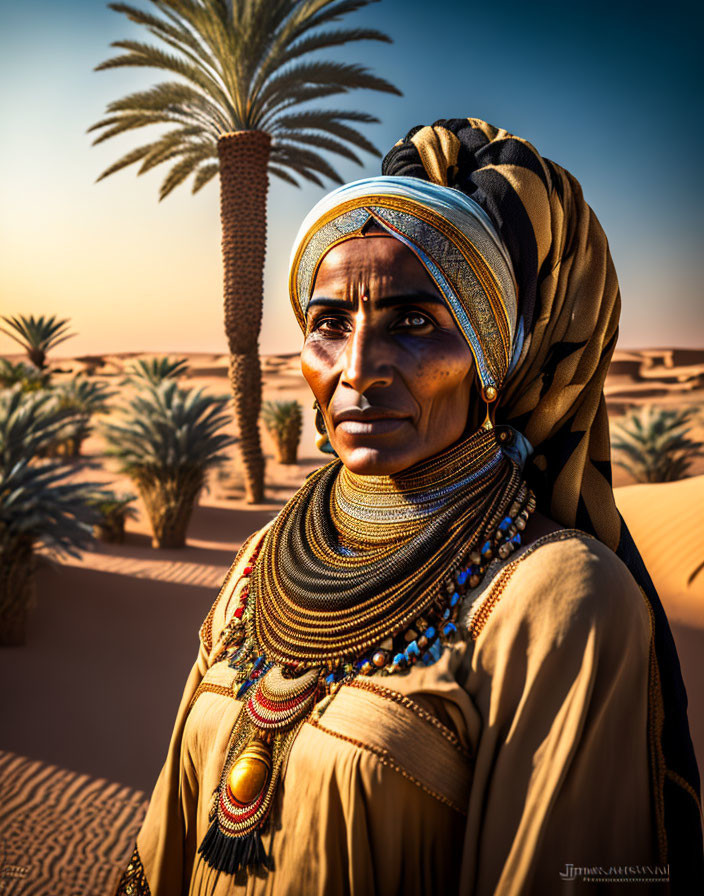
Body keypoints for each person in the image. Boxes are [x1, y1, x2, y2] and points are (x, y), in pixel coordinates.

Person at [116, 119, 703, 895]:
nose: (358, 368)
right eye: (329, 324)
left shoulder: (562, 601)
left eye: (416, 323)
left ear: (491, 359)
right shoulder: (262, 563)